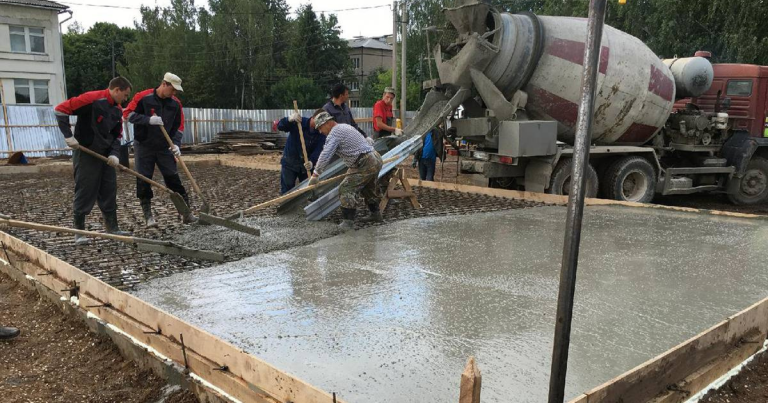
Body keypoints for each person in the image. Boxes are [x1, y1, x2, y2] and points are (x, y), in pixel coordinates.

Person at [55, 76, 133, 244]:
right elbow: (61, 109)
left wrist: (114, 154)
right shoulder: (92, 99)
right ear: (117, 90)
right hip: (86, 152)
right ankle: (79, 231)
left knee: (109, 189)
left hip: (105, 155)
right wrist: (68, 136)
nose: (125, 100)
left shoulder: (117, 110)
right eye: (125, 95)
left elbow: (116, 135)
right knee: (85, 189)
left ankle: (112, 228)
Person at [125, 72, 196, 227]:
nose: (175, 93)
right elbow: (127, 115)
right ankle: (148, 215)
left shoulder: (175, 104)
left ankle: (186, 214)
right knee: (144, 179)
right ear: (164, 84)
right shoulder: (143, 97)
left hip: (164, 147)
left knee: (173, 179)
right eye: (173, 89)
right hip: (144, 146)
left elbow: (179, 127)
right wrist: (147, 120)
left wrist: (176, 144)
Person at [309, 112, 383, 230]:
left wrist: (316, 173)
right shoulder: (344, 126)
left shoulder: (335, 133)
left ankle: (348, 223)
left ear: (327, 123)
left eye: (320, 128)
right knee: (368, 188)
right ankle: (376, 214)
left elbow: (326, 154)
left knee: (346, 188)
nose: (320, 131)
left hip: (365, 161)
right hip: (374, 158)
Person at [274, 109, 326, 194]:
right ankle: (287, 206)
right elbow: (280, 126)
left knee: (306, 190)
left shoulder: (321, 133)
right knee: (287, 190)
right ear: (313, 118)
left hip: (305, 166)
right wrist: (289, 119)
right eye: (319, 123)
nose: (320, 126)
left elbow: (319, 149)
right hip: (290, 162)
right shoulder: (299, 122)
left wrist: (312, 161)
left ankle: (303, 206)